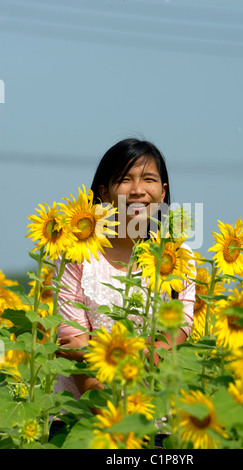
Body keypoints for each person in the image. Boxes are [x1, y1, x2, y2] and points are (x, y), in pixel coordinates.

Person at [50, 138, 195, 438]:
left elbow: (174, 337)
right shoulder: (75, 254)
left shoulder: (179, 256)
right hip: (84, 423)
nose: (138, 190)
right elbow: (72, 344)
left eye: (149, 179)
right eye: (125, 179)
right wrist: (115, 424)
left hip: (157, 424)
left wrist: (110, 354)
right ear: (104, 192)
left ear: (163, 192)